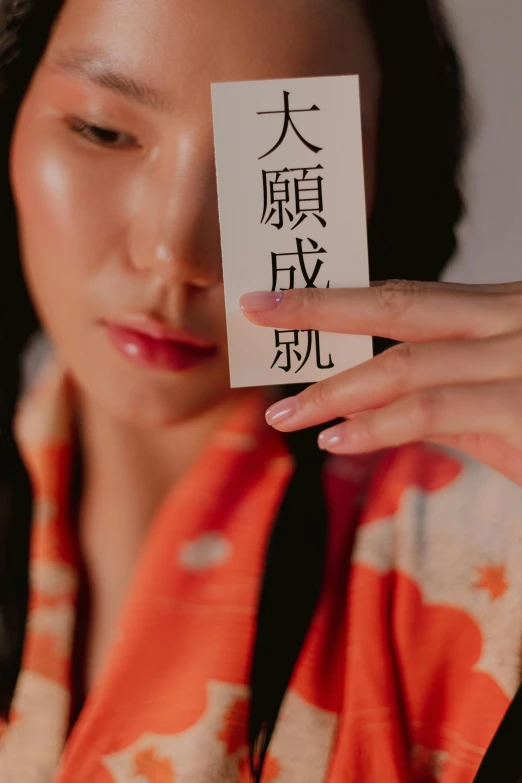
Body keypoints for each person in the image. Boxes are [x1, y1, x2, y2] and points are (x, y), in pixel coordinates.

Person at [1, 0, 521, 781]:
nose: (175, 250)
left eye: (277, 166)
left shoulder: (492, 537)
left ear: (383, 189)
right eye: (103, 131)